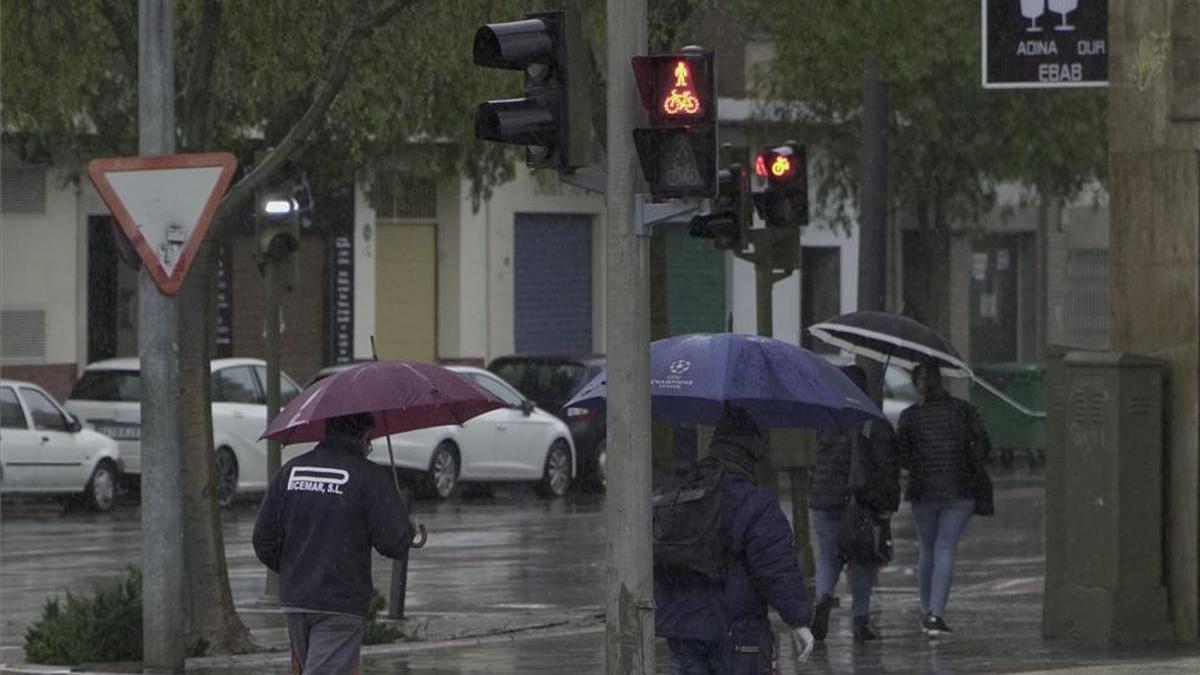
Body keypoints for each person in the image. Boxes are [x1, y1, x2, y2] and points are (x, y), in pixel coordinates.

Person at [655, 404, 815, 673]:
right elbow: (775, 566)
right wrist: (798, 619)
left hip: (682, 630)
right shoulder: (755, 502)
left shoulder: (684, 492)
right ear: (752, 451)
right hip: (737, 634)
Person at [253, 412, 414, 674]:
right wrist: (404, 526)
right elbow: (393, 543)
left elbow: (263, 540)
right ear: (364, 435)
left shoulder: (290, 472)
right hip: (340, 603)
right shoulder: (369, 477)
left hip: (296, 601)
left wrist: (299, 569)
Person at [897, 362, 992, 637]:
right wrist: (966, 462)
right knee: (945, 547)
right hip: (959, 489)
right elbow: (983, 443)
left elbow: (902, 455)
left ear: (917, 384)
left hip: (923, 491)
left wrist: (919, 465)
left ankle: (926, 609)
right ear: (943, 381)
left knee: (927, 548)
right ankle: (936, 615)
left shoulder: (909, 417)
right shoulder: (963, 410)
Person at [809, 365, 900, 642]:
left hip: (822, 497)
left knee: (828, 557)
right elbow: (884, 464)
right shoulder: (870, 421)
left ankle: (823, 600)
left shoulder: (827, 417)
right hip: (856, 501)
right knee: (862, 560)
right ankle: (860, 620)